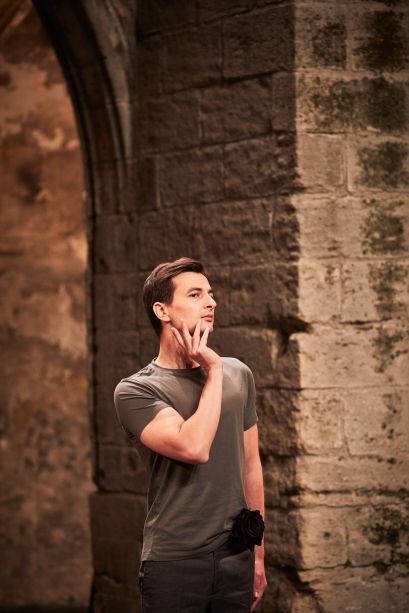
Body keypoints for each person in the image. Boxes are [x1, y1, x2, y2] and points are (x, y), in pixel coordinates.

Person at [114, 257, 267, 612]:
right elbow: (194, 447)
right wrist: (213, 370)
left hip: (236, 555)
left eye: (210, 294)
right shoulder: (136, 390)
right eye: (195, 294)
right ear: (162, 311)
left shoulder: (238, 374)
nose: (211, 302)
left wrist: (258, 557)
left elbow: (251, 466)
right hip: (174, 561)